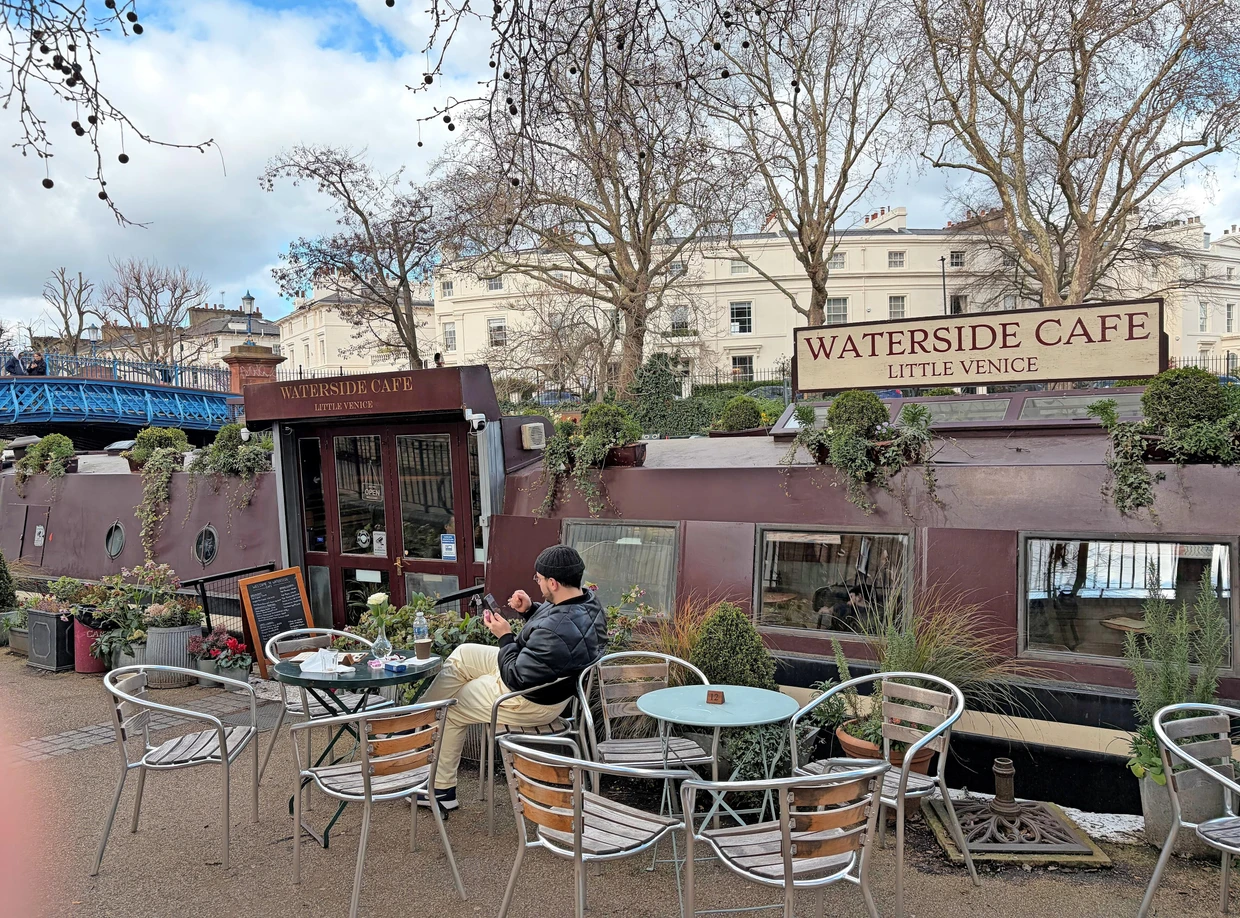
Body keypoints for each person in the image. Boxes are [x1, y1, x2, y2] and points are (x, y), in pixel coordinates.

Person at [419, 544, 606, 811]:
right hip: (546, 682)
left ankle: (441, 791)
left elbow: (515, 677)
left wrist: (505, 636)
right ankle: (420, 718)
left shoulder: (555, 629)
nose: (537, 584)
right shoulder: (588, 602)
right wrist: (530, 609)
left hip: (530, 698)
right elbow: (560, 627)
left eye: (539, 579)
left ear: (553, 582)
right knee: (464, 654)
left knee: (454, 706)